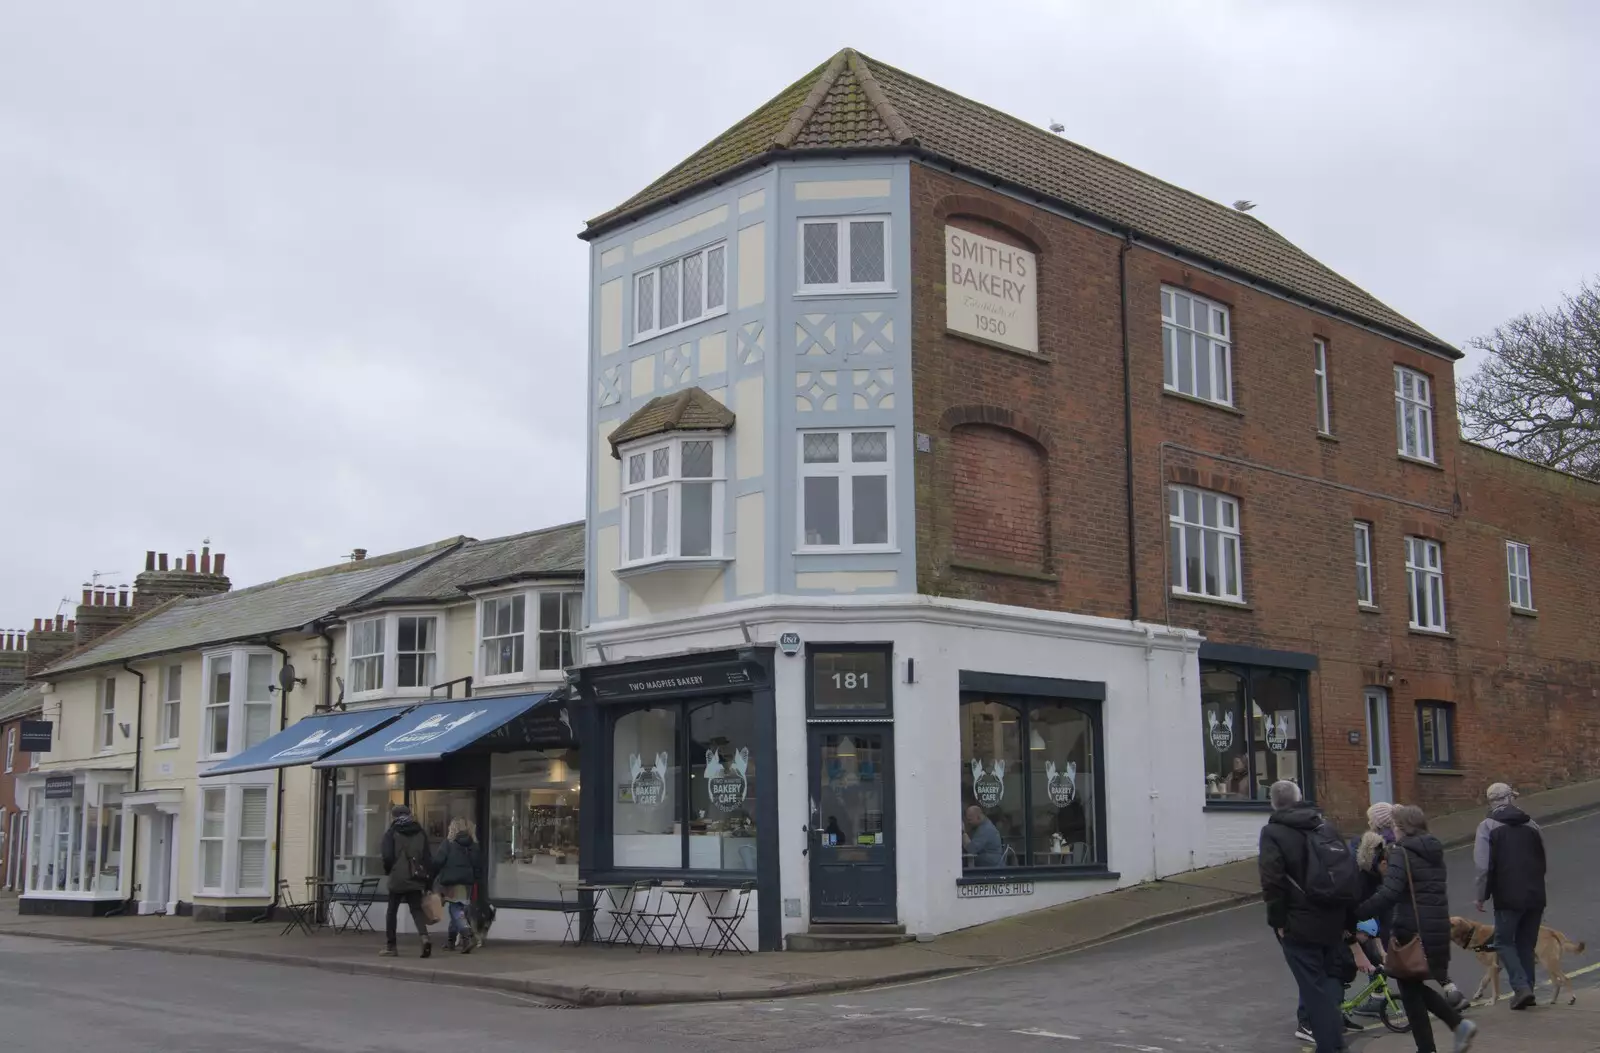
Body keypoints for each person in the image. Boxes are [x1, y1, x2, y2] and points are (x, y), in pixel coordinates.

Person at [1357, 805, 1477, 1053]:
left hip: (1410, 929)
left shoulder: (1401, 852)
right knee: (1411, 989)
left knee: (1408, 986)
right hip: (1434, 926)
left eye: (1394, 827)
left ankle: (1452, 1029)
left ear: (1401, 828)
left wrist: (1356, 913)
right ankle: (1441, 1038)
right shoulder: (1432, 850)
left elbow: (1390, 892)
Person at [1259, 780, 1354, 1053]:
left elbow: (1272, 880)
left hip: (1299, 924)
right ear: (1300, 798)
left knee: (1314, 991)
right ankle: (1335, 1044)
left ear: (1274, 804)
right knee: (1326, 981)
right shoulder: (1324, 826)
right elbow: (1347, 872)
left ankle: (1332, 1048)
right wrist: (1348, 921)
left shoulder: (1273, 833)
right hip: (1333, 918)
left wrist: (1278, 922)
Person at [1473, 782, 1547, 1010]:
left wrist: (1481, 896)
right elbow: (1542, 859)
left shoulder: (1486, 827)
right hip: (1535, 894)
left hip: (1507, 895)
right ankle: (1528, 991)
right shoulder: (1532, 824)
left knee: (1503, 941)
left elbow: (1483, 866)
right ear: (1510, 799)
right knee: (1526, 942)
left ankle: (1521, 988)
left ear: (1491, 802)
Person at [379, 803, 433, 958]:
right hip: (416, 876)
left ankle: (391, 946)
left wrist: (390, 870)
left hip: (398, 877)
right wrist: (428, 882)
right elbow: (427, 859)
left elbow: (387, 856)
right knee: (416, 910)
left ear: (395, 817)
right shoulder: (420, 832)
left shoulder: (391, 832)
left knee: (392, 911)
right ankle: (424, 937)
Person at [433, 817, 484, 954]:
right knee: (458, 910)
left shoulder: (448, 843)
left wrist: (431, 875)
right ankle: (451, 941)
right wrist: (476, 880)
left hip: (451, 882)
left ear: (453, 828)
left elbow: (438, 862)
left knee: (455, 910)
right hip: (467, 883)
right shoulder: (473, 844)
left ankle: (467, 935)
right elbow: (478, 865)